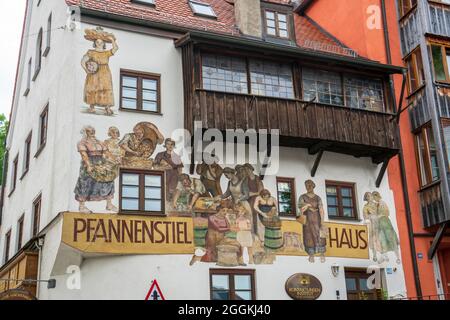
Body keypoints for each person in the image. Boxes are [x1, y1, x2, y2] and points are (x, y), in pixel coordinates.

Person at [74, 126, 118, 213]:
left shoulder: (99, 142)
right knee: (85, 182)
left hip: (101, 162)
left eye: (93, 131)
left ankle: (109, 205)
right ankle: (82, 206)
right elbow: (84, 155)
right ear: (86, 133)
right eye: (90, 131)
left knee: (108, 180)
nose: (92, 133)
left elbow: (106, 152)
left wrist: (114, 159)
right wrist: (89, 165)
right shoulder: (82, 143)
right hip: (89, 162)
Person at [81, 27, 118, 115]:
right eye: (97, 42)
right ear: (95, 43)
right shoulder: (91, 52)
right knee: (92, 88)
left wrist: (112, 40)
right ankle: (92, 106)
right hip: (94, 72)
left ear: (103, 44)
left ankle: (107, 107)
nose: (99, 44)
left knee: (106, 89)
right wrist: (87, 70)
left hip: (105, 72)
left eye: (101, 42)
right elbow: (83, 61)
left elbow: (115, 48)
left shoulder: (106, 53)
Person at [298, 180, 327, 263]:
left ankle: (322, 254)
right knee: (308, 236)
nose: (308, 187)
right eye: (307, 185)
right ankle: (311, 255)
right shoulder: (302, 197)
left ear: (313, 186)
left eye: (310, 185)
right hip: (307, 220)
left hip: (317, 219)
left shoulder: (317, 198)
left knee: (320, 235)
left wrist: (322, 221)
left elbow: (321, 209)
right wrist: (307, 205)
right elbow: (301, 209)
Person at [372, 191, 401, 264]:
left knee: (391, 239)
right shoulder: (376, 204)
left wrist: (380, 215)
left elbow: (387, 213)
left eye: (374, 197)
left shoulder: (382, 203)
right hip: (380, 224)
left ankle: (397, 257)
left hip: (385, 223)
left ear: (377, 196)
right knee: (382, 240)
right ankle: (385, 256)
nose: (374, 199)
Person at [363, 192, 380, 262]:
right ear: (366, 198)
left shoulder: (377, 204)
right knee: (373, 238)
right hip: (372, 223)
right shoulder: (365, 207)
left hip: (378, 222)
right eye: (367, 196)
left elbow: (381, 212)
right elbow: (365, 216)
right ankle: (375, 254)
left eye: (370, 195)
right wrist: (370, 216)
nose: (369, 197)